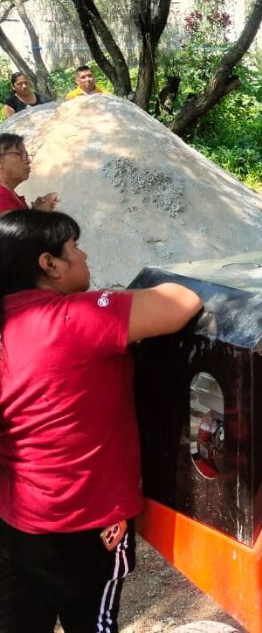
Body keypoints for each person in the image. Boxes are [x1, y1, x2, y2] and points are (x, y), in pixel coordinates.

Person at [0, 209, 202, 632]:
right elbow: (182, 302)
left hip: (16, 519)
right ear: (49, 264)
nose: (84, 255)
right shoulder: (75, 318)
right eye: (74, 248)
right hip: (86, 519)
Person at [0, 133, 58, 214]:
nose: (28, 161)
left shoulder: (9, 194)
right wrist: (41, 214)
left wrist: (35, 212)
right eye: (19, 154)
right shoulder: (2, 198)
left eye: (26, 155)